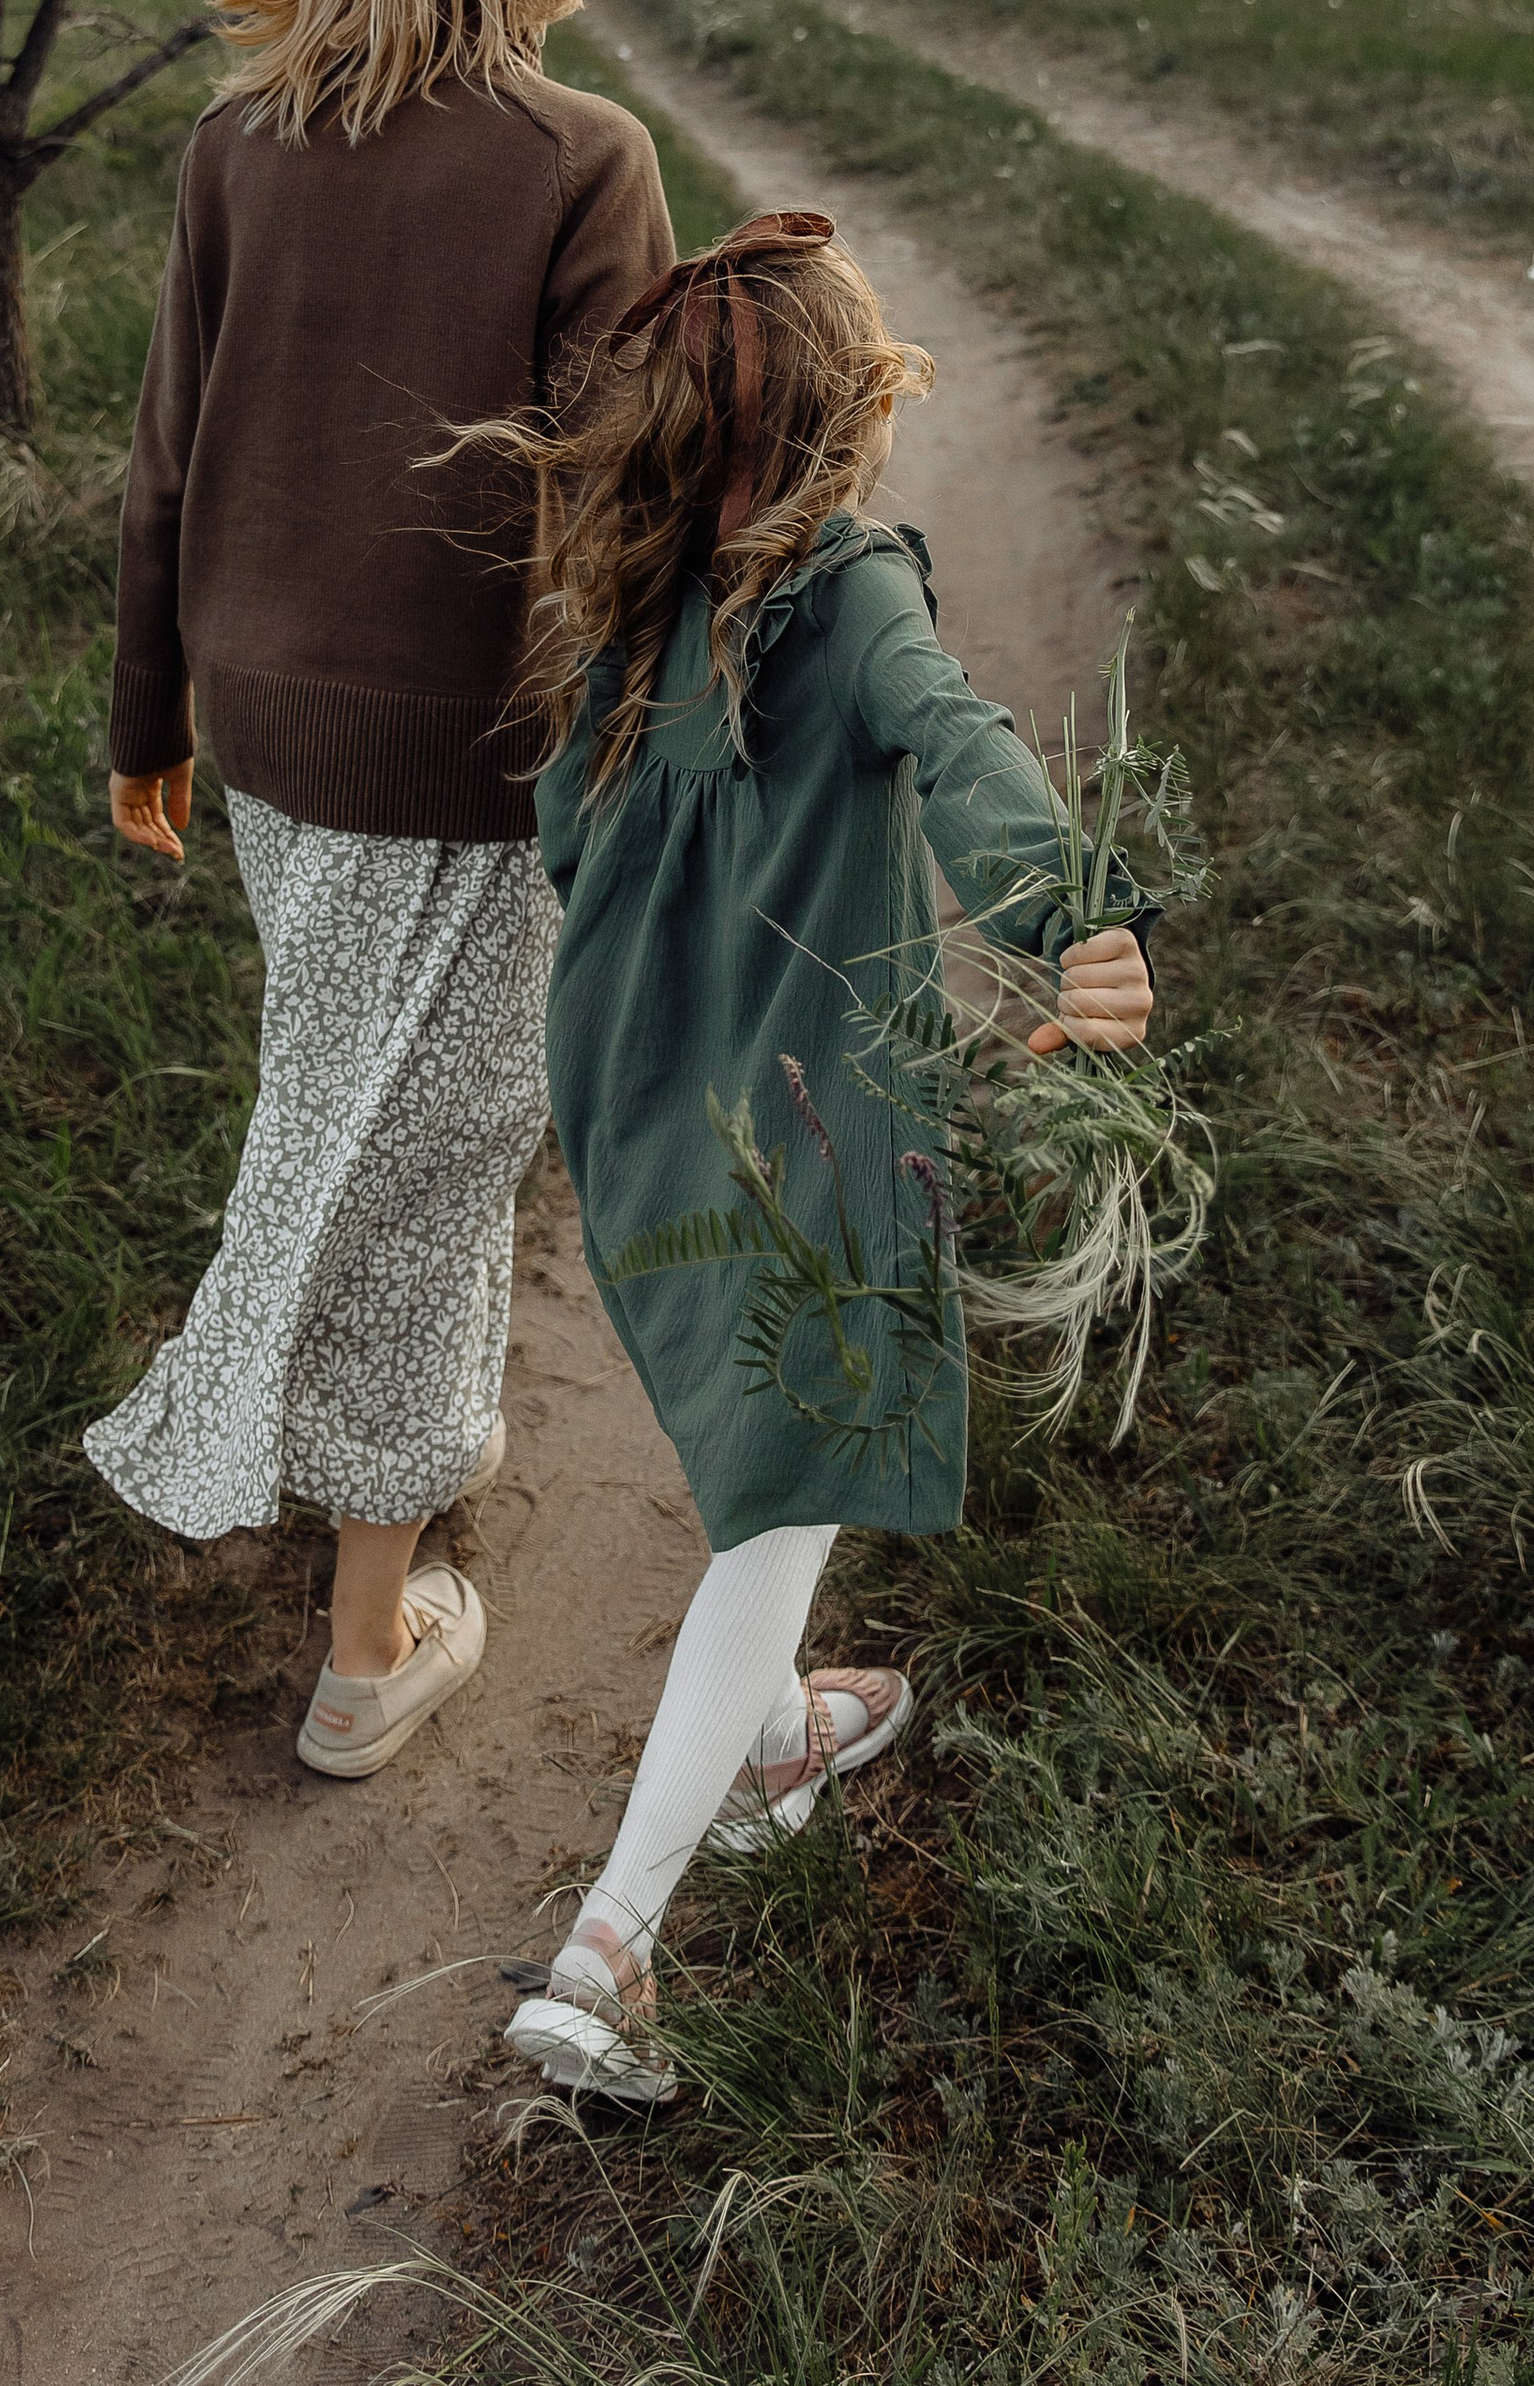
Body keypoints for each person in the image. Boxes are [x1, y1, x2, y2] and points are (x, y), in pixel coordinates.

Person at [465, 213, 1158, 2102]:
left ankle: (780, 1741)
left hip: (625, 1088)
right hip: (801, 1115)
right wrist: (1078, 913)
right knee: (783, 1502)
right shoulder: (850, 594)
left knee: (755, 1446)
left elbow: (554, 833)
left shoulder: (624, 592)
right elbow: (958, 741)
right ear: (852, 423)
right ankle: (608, 1954)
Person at [85, 0, 672, 1780]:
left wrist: (145, 720)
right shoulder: (580, 156)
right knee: (418, 1169)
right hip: (475, 761)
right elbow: (625, 501)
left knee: (361, 1113)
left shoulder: (239, 142)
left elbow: (162, 461)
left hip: (268, 739)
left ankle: (300, 1452)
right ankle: (363, 1645)